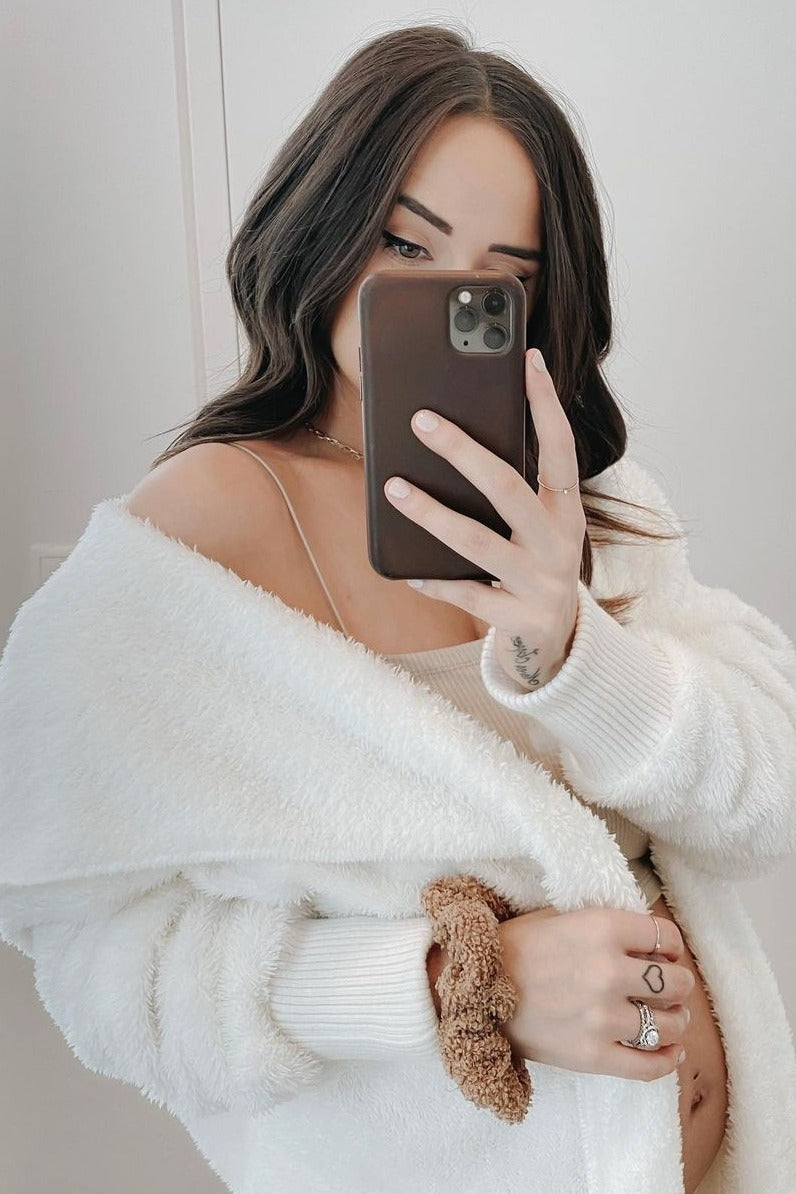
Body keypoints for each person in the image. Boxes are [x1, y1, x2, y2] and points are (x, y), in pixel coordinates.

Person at [1, 22, 795, 1194]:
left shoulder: (589, 496)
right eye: (404, 243)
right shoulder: (197, 531)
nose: (443, 298)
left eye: (499, 278)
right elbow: (102, 969)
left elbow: (763, 806)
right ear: (322, 225)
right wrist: (454, 984)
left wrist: (575, 649)